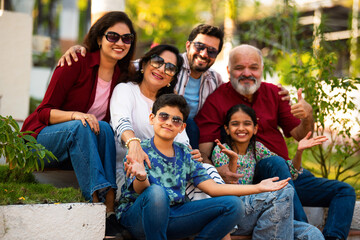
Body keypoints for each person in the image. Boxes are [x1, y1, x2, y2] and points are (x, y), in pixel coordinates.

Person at [195, 44, 356, 240]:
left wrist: (307, 115)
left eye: (253, 67)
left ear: (261, 70)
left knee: (344, 191)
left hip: (287, 173)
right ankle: (303, 233)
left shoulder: (274, 93)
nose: (247, 73)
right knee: (274, 163)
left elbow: (299, 134)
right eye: (239, 68)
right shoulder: (216, 100)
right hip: (253, 182)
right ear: (229, 71)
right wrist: (217, 172)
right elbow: (204, 152)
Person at [117, 93, 321, 240]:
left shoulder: (185, 153)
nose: (169, 122)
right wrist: (142, 177)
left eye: (176, 120)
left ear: (182, 127)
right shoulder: (139, 148)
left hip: (175, 217)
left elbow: (214, 188)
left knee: (233, 205)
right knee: (156, 193)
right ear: (152, 119)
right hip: (140, 218)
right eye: (164, 116)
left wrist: (259, 187)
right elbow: (139, 190)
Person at [57, 24, 290, 149]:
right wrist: (84, 49)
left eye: (211, 51)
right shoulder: (163, 64)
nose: (204, 54)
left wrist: (278, 91)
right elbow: (121, 61)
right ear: (189, 45)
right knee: (185, 120)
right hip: (154, 128)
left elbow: (242, 86)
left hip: (187, 136)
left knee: (202, 125)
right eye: (199, 46)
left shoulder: (215, 80)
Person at [21, 11, 137, 237]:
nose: (120, 43)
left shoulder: (123, 74)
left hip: (82, 146)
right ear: (99, 38)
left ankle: (110, 210)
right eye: (112, 36)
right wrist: (75, 115)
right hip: (39, 141)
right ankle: (94, 203)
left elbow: (158, 64)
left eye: (126, 38)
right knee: (83, 125)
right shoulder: (76, 62)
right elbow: (44, 111)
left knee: (104, 128)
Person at [109, 44, 192, 198]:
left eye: (170, 68)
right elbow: (121, 122)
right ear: (145, 63)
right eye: (157, 61)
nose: (161, 69)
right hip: (131, 175)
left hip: (169, 175)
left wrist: (191, 155)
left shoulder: (170, 105)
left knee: (206, 172)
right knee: (158, 194)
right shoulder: (126, 90)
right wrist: (133, 144)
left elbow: (183, 143)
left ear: (172, 78)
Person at [212, 104, 328, 185]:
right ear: (227, 129)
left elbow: (289, 172)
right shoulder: (221, 150)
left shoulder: (257, 148)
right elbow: (230, 185)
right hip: (235, 204)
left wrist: (299, 151)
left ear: (255, 128)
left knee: (278, 163)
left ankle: (297, 220)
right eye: (235, 124)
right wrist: (233, 160)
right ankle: (298, 220)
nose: (241, 128)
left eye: (247, 124)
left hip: (257, 198)